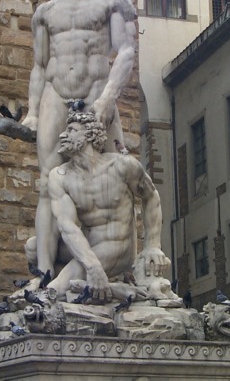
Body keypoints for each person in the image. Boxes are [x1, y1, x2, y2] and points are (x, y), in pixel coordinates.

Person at [21, 0, 136, 275]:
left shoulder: (114, 2)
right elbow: (40, 67)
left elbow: (126, 51)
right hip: (56, 95)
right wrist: (31, 112)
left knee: (116, 180)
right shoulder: (45, 12)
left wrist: (106, 100)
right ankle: (44, 276)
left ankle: (121, 267)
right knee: (47, 182)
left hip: (96, 96)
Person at [46, 111, 170, 302]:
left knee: (55, 290)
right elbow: (67, 226)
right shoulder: (59, 176)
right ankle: (105, 286)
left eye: (71, 130)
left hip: (116, 245)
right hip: (87, 243)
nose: (63, 135)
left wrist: (152, 246)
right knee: (33, 248)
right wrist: (94, 267)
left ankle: (70, 286)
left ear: (89, 135)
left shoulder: (123, 165)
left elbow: (151, 197)